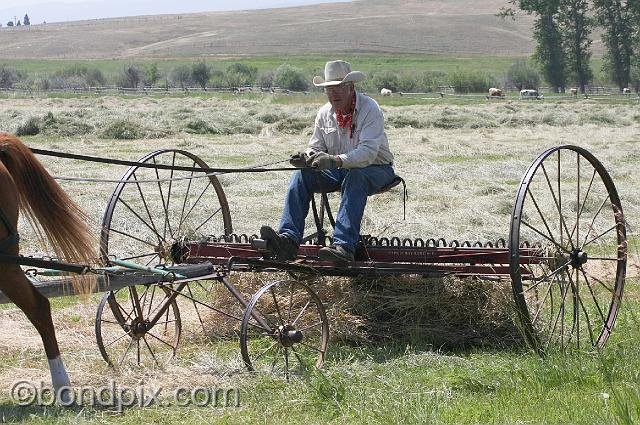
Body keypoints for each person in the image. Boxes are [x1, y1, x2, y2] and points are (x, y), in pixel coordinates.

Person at [260, 60, 395, 262]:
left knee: (355, 177)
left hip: (377, 168)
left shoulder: (370, 109)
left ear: (351, 87)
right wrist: (307, 158)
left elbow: (367, 153)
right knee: (301, 175)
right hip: (340, 169)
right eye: (328, 89)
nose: (333, 94)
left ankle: (343, 248)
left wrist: (334, 160)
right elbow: (316, 146)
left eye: (338, 87)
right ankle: (287, 240)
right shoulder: (324, 113)